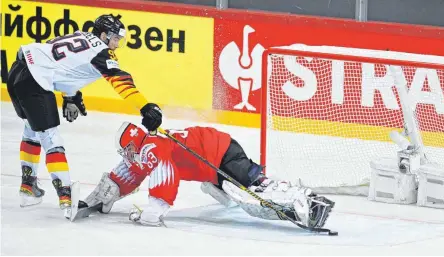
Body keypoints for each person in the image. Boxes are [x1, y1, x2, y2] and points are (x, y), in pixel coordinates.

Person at [7, 14, 163, 218]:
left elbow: (62, 64)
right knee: (51, 137)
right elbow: (120, 80)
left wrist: (70, 96)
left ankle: (28, 187)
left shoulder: (81, 36)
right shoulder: (102, 51)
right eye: (115, 38)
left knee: (32, 129)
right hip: (36, 79)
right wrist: (145, 107)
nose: (117, 44)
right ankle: (65, 196)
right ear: (104, 35)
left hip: (18, 70)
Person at [81, 122, 335, 229]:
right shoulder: (148, 147)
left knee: (254, 190)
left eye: (126, 150)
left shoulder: (151, 148)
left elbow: (164, 174)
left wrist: (155, 210)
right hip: (215, 156)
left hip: (220, 154)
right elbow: (135, 170)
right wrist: (110, 189)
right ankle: (301, 205)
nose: (125, 155)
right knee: (247, 200)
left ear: (134, 144)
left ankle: (309, 202)